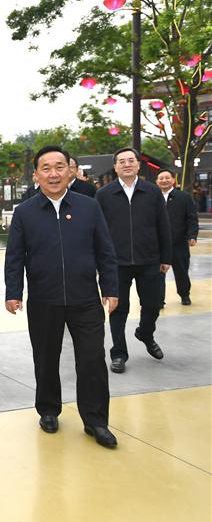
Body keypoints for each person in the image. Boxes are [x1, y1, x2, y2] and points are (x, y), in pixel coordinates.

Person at [5, 146, 119, 448]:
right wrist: (13, 292)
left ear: (71, 171)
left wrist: (110, 288)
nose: (53, 174)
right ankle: (48, 410)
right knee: (45, 358)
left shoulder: (89, 207)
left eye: (60, 167)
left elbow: (105, 251)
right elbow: (14, 256)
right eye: (46, 168)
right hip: (44, 299)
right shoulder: (25, 212)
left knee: (92, 359)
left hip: (86, 299)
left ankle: (96, 421)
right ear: (36, 175)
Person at [96, 147, 171, 374]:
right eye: (122, 161)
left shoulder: (152, 191)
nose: (127, 164)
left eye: (131, 160)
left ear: (138, 165)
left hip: (150, 259)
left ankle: (145, 333)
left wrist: (166, 257)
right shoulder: (104, 194)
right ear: (115, 167)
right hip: (116, 263)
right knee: (118, 309)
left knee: (153, 304)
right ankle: (118, 354)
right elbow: (97, 231)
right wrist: (99, 262)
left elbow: (163, 225)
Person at [156, 169, 198, 306]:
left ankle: (185, 295)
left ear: (174, 180)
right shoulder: (153, 197)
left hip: (179, 242)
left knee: (181, 271)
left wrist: (192, 235)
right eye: (161, 178)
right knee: (157, 273)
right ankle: (159, 299)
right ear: (157, 181)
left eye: (167, 178)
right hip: (157, 244)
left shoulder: (184, 197)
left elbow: (192, 217)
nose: (164, 180)